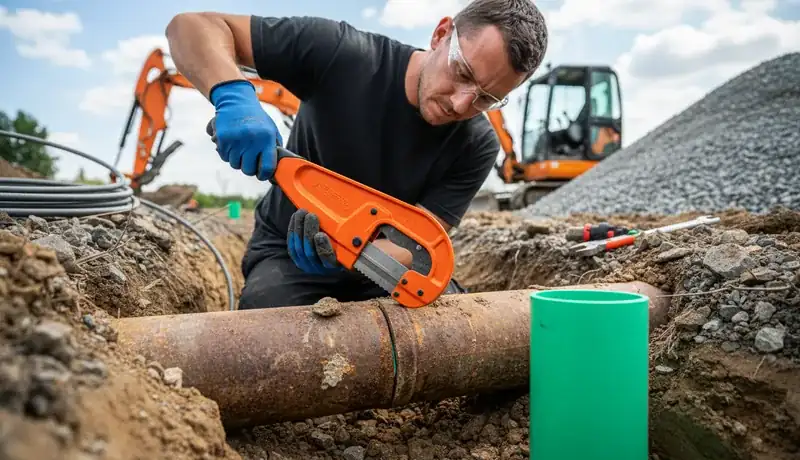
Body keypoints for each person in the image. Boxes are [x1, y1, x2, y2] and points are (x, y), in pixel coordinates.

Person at [165, 0, 548, 309]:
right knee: (267, 329)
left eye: (486, 98)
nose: (462, 103)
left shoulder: (477, 145)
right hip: (287, 256)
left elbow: (417, 249)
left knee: (452, 325)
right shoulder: (342, 54)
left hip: (378, 268)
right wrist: (233, 95)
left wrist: (347, 250)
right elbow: (191, 26)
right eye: (462, 72)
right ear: (441, 34)